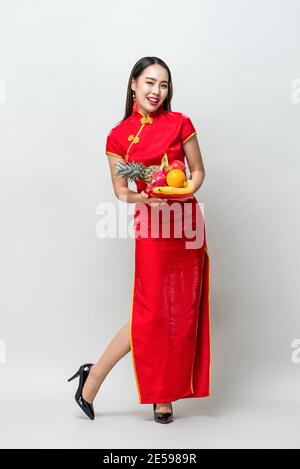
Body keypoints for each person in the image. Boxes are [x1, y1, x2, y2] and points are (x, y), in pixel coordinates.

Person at [68, 56, 210, 424]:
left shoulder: (181, 123)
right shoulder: (117, 136)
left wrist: (183, 191)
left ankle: (163, 398)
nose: (156, 91)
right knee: (151, 313)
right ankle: (94, 376)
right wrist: (144, 196)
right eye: (149, 82)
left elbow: (197, 171)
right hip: (151, 225)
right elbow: (120, 190)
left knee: (180, 312)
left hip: (186, 225)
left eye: (163, 85)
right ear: (133, 84)